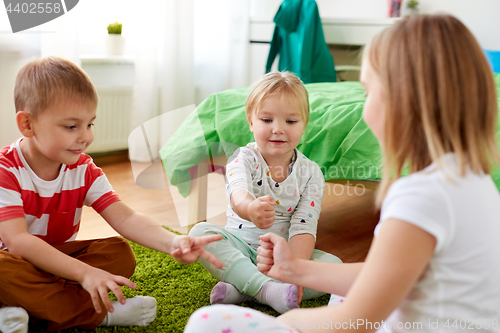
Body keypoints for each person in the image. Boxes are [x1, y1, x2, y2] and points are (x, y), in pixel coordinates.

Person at [184, 14, 500, 333]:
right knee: (335, 288)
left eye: (367, 91)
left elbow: (356, 321)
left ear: (401, 101)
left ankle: (258, 288)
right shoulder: (474, 180)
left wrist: (290, 322)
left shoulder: (423, 195)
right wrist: (295, 270)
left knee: (203, 322)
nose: (365, 106)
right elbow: (384, 276)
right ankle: (261, 285)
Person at [0, 56, 223, 333]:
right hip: (12, 261)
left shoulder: (83, 168)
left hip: (52, 262)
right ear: (27, 124)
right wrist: (83, 273)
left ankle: (26, 310)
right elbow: (18, 242)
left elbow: (126, 218)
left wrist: (173, 241)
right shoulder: (5, 170)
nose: (86, 137)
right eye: (71, 126)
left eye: (90, 124)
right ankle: (97, 314)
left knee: (119, 253)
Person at [188, 71, 342, 314]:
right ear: (251, 122)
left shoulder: (311, 173)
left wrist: (293, 268)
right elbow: (238, 193)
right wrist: (250, 208)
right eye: (267, 120)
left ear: (304, 125)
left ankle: (244, 287)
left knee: (335, 267)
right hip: (240, 247)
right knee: (200, 233)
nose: (278, 129)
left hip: (283, 258)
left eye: (291, 122)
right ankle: (268, 290)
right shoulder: (243, 158)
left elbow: (304, 228)